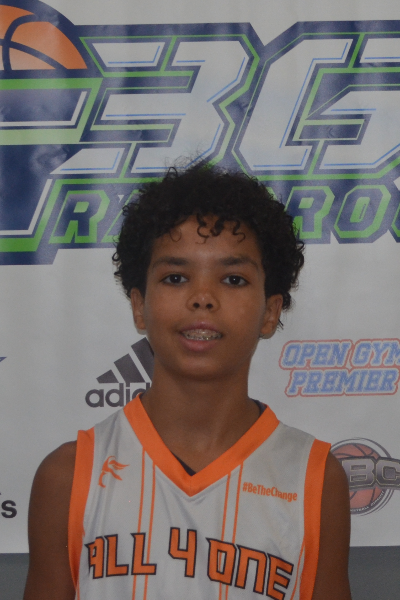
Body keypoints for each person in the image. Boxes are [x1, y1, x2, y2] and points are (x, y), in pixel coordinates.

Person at [23, 165, 351, 600]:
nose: (202, 297)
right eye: (176, 277)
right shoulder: (67, 477)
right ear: (139, 307)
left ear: (270, 313)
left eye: (233, 279)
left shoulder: (316, 479)